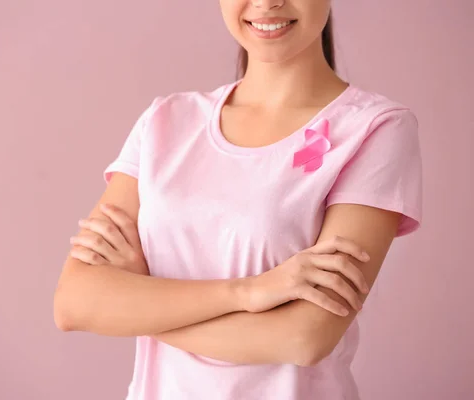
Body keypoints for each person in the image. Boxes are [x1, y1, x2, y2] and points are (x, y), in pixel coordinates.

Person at [53, 0, 423, 398]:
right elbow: (74, 303)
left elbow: (304, 338)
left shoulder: (375, 128)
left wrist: (139, 298)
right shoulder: (165, 121)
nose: (267, 3)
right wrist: (249, 291)